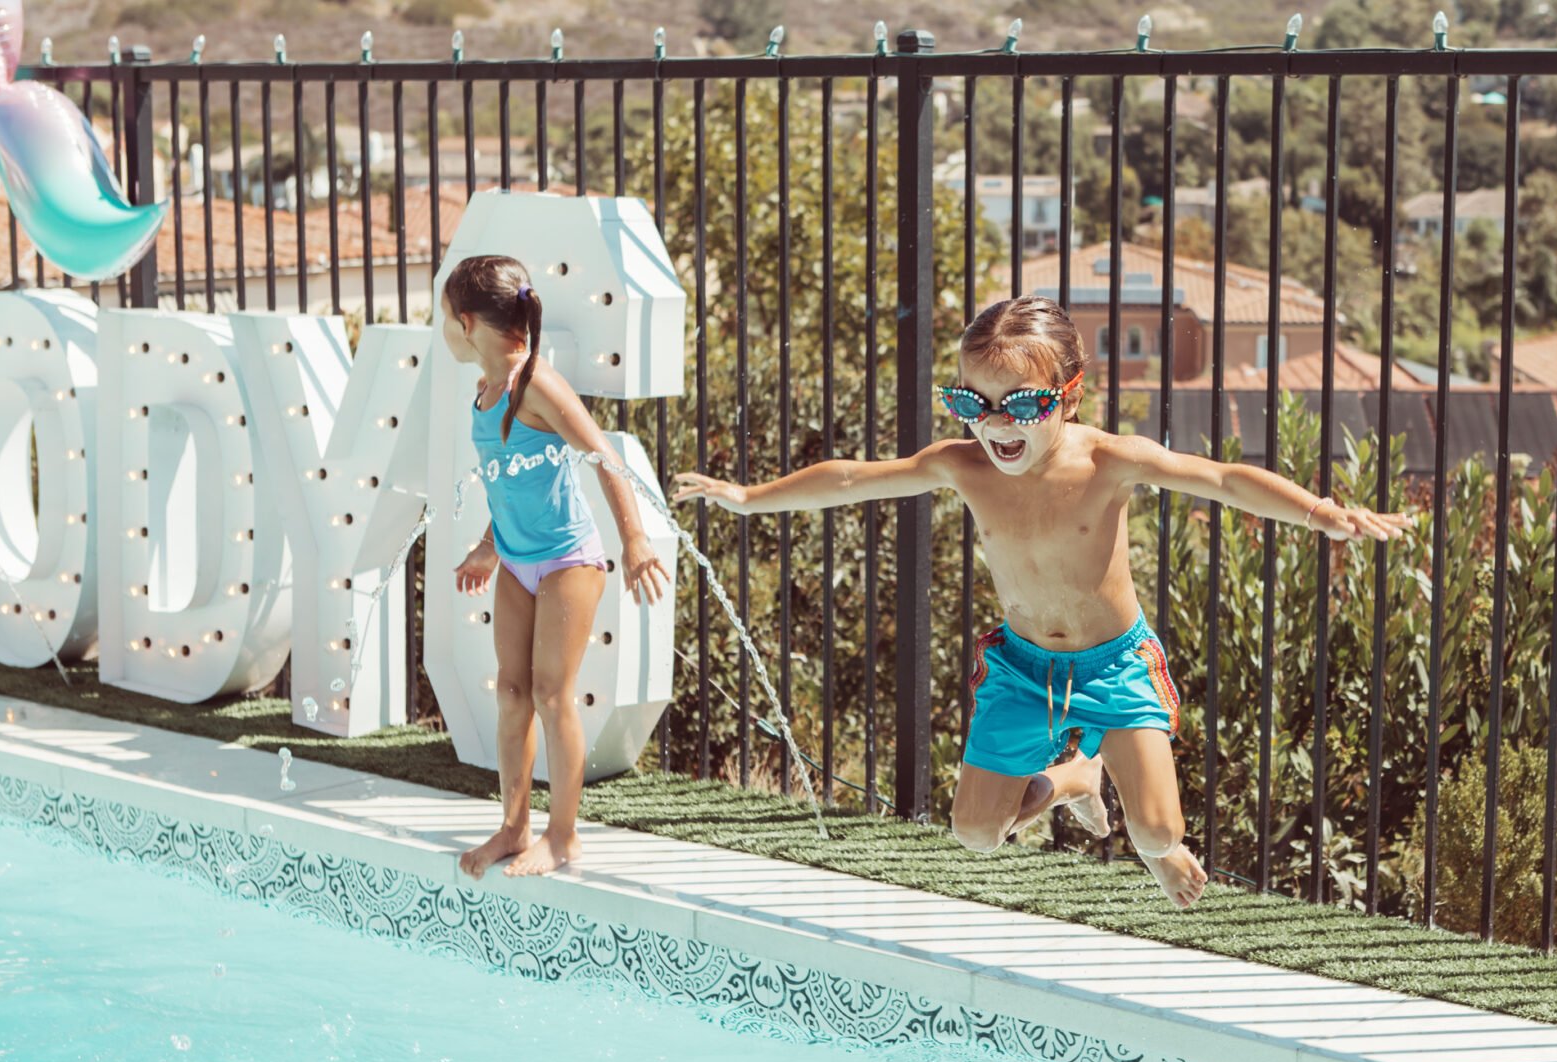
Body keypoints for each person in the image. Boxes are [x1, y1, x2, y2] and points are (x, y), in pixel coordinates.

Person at [671, 296, 1410, 908]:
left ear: (1071, 394)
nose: (995, 424)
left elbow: (1219, 479)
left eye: (1020, 403)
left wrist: (1320, 513)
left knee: (1157, 836)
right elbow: (851, 479)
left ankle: (1095, 778)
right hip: (1022, 669)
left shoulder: (1108, 460)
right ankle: (1073, 778)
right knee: (975, 834)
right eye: (973, 402)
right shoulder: (962, 467)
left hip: (1116, 666)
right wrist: (746, 497)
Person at [442, 255, 671, 880]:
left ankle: (563, 836)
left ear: (465, 323)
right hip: (517, 563)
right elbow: (509, 478)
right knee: (511, 693)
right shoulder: (486, 389)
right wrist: (491, 544)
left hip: (570, 559)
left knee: (550, 693)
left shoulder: (535, 381)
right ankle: (513, 827)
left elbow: (603, 457)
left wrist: (636, 543)